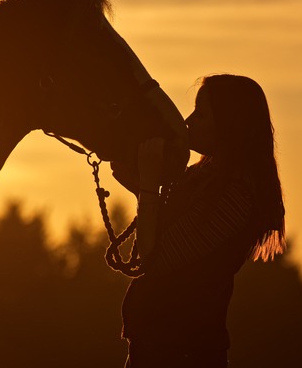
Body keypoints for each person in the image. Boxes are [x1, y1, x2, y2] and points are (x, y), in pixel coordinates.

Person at [111, 74, 286, 368]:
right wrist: (143, 188)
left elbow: (156, 259)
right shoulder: (206, 179)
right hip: (161, 348)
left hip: (181, 354)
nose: (189, 121)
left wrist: (149, 185)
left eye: (201, 114)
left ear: (230, 125)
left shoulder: (235, 196)